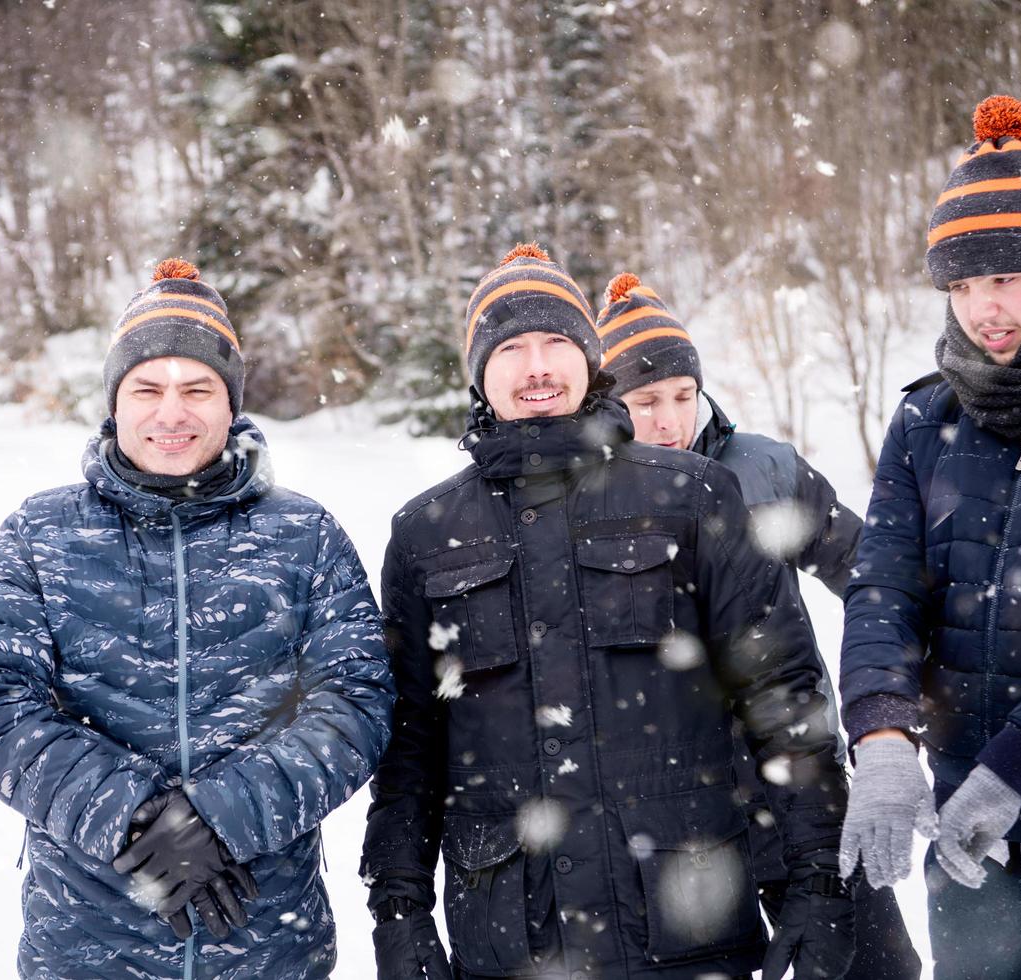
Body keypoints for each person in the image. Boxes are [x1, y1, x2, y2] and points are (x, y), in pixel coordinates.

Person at [360, 243, 852, 980]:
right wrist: (399, 912)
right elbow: (411, 746)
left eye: (556, 342)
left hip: (684, 927)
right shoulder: (427, 531)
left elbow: (781, 694)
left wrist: (817, 879)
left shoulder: (691, 495)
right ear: (478, 373)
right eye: (512, 347)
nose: (536, 367)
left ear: (590, 360)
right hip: (509, 939)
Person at [0, 257, 394, 979]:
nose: (172, 412)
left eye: (198, 389)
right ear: (115, 403)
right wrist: (136, 817)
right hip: (88, 947)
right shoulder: (41, 533)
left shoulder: (303, 535)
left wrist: (222, 815)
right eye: (147, 388)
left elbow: (356, 702)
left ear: (231, 403)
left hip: (267, 943)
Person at [597, 272, 920, 980]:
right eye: (645, 401)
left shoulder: (763, 468)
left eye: (683, 396)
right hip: (688, 809)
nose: (668, 420)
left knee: (878, 965)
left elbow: (871, 573)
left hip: (803, 777)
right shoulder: (598, 500)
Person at [839, 94, 1021, 979]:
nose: (984, 307)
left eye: (1009, 278)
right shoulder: (924, 419)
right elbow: (883, 590)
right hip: (967, 855)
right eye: (965, 282)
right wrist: (880, 738)